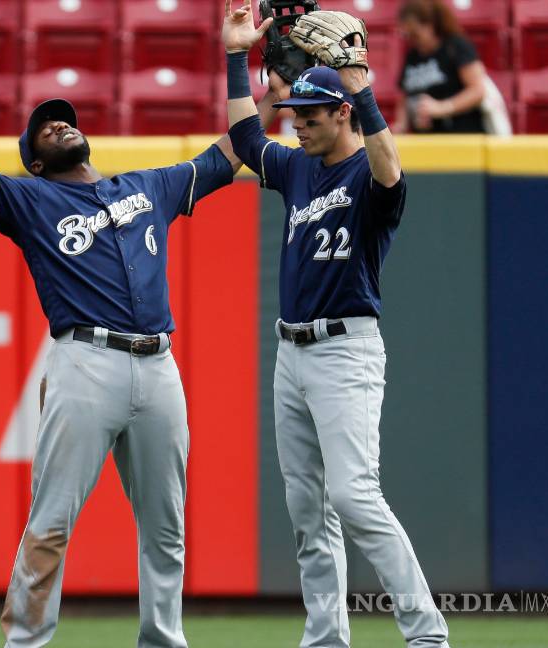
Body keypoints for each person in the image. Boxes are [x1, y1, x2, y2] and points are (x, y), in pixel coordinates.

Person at [0, 13, 285, 648]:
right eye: (46, 127)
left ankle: (163, 640)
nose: (61, 123)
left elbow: (231, 152)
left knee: (167, 525)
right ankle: (26, 641)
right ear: (36, 163)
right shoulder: (30, 201)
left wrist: (260, 82)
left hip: (160, 367)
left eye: (65, 117)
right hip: (85, 364)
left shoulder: (149, 186)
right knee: (52, 520)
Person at [221, 1, 451, 647]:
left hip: (344, 350)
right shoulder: (297, 165)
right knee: (306, 509)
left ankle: (426, 632)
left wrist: (362, 87)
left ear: (342, 113)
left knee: (353, 496)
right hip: (290, 353)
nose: (299, 128)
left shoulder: (367, 172)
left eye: (311, 118)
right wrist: (238, 57)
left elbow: (390, 169)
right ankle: (326, 637)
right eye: (296, 116)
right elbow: (244, 141)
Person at [396, 0, 486, 133]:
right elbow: (404, 95)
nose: (412, 40)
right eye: (408, 35)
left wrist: (442, 108)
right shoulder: (412, 55)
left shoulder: (456, 47)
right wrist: (401, 124)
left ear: (431, 25)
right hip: (426, 141)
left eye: (415, 34)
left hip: (461, 137)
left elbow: (478, 91)